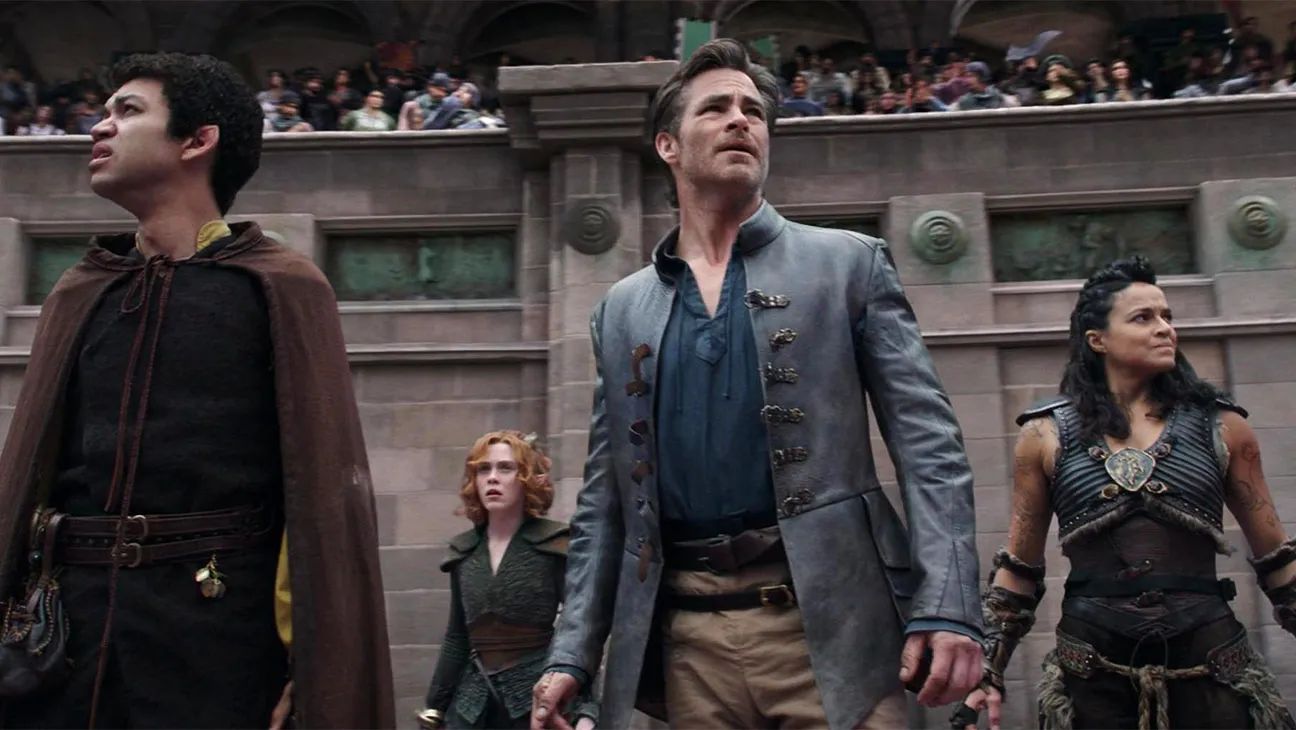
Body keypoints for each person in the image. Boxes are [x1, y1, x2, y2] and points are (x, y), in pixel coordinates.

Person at [530, 38, 983, 730]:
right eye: (716, 108)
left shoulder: (849, 264)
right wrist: (572, 654)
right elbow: (604, 503)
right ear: (668, 146)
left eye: (753, 111)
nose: (740, 120)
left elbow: (930, 448)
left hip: (839, 635)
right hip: (689, 648)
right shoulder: (620, 311)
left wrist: (949, 606)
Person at [0, 52, 393, 728]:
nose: (99, 126)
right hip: (64, 648)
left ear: (197, 140)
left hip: (215, 649)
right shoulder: (82, 290)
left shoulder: (278, 287)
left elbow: (317, 493)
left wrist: (309, 665)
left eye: (127, 111)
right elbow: (28, 479)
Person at [955, 257, 1296, 730]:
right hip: (1092, 673)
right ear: (1097, 340)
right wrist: (988, 671)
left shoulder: (1223, 426)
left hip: (1212, 664)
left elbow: (1279, 562)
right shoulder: (1044, 434)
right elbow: (1018, 570)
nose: (1165, 329)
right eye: (1143, 318)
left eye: (1167, 317)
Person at [418, 432, 598, 730]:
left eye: (505, 468)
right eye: (483, 469)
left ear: (526, 477)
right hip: (472, 704)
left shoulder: (554, 544)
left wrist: (586, 710)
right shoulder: (464, 552)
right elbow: (457, 638)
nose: (492, 478)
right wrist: (434, 709)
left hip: (538, 698)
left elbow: (580, 629)